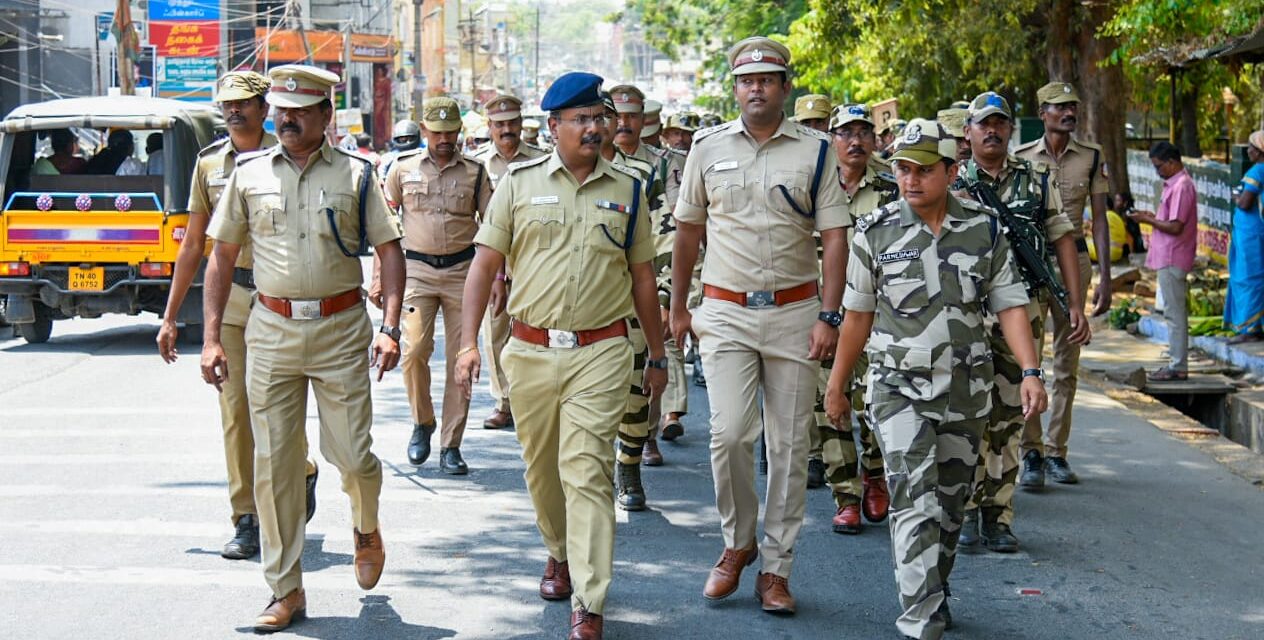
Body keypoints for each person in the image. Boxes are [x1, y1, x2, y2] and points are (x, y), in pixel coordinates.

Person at [454, 71, 667, 640]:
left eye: (600, 118)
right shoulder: (519, 184)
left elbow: (643, 278)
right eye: (582, 120)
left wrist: (660, 355)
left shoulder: (627, 189)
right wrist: (468, 343)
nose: (595, 128)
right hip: (529, 349)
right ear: (554, 128)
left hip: (601, 351)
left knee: (587, 471)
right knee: (542, 471)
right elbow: (482, 266)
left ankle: (590, 600)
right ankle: (559, 551)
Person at [824, 118, 1048, 640]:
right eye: (902, 168)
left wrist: (1032, 370)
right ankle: (920, 618)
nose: (910, 179)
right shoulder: (875, 231)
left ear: (951, 171)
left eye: (924, 170)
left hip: (967, 389)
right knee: (915, 498)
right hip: (897, 389)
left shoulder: (985, 228)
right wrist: (837, 385)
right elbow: (856, 315)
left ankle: (934, 588)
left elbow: (1011, 304)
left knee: (950, 506)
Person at [201, 64, 406, 632]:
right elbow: (220, 256)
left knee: (353, 456)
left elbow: (389, 252)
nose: (286, 119)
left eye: (299, 110)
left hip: (341, 331)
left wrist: (390, 326)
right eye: (281, 110)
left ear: (324, 115)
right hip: (270, 331)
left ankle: (366, 524)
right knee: (275, 466)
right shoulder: (247, 175)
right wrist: (212, 336)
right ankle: (285, 589)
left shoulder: (358, 175)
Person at [670, 36, 849, 615]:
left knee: (791, 446)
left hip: (797, 313)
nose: (756, 88)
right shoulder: (707, 148)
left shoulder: (817, 151)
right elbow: (688, 233)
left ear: (785, 87)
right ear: (736, 88)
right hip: (722, 312)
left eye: (768, 79)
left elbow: (835, 237)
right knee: (728, 436)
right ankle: (737, 542)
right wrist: (679, 308)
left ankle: (777, 568)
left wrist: (829, 313)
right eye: (747, 80)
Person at [156, 70, 320, 563]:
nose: (233, 111)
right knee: (235, 413)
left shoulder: (289, 154)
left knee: (278, 411)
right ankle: (245, 518)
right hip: (230, 302)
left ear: (263, 109)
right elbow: (192, 245)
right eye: (226, 103)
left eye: (243, 103)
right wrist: (169, 317)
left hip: (280, 299)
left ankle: (302, 469)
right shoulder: (209, 165)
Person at [955, 92, 1089, 554]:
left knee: (1011, 415)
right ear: (968, 131)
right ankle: (968, 510)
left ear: (1012, 130)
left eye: (1000, 123)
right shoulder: (953, 181)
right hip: (966, 315)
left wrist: (1072, 301)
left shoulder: (1036, 179)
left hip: (1024, 313)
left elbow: (1062, 239)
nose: (992, 131)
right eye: (983, 124)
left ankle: (999, 515)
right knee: (967, 412)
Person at [378, 96, 491, 474]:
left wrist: (497, 278)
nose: (445, 139)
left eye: (451, 131)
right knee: (413, 352)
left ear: (460, 131)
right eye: (437, 132)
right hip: (416, 273)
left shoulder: (475, 172)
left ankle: (450, 444)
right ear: (424, 131)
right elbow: (383, 231)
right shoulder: (401, 169)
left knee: (463, 358)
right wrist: (379, 278)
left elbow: (493, 229)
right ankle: (422, 421)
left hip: (464, 272)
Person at [1016, 81, 1113, 488]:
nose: (1068, 112)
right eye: (1060, 107)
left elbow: (1101, 218)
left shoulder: (1091, 157)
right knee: (1029, 361)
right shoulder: (1021, 157)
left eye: (1072, 106)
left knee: (1067, 365)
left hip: (1076, 262)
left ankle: (1057, 451)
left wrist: (1106, 276)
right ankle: (1031, 452)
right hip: (1032, 265)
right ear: (1044, 112)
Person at [817, 102, 895, 534]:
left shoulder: (889, 189)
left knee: (875, 401)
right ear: (833, 140)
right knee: (829, 402)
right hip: (825, 312)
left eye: (864, 132)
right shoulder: (817, 188)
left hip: (877, 313)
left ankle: (875, 476)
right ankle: (845, 494)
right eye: (846, 132)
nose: (856, 140)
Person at [471, 93, 547, 431]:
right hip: (492, 263)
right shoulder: (476, 165)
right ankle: (504, 402)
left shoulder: (542, 160)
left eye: (512, 123)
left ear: (521, 125)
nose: (506, 130)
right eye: (499, 124)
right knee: (496, 334)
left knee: (538, 331)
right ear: (489, 127)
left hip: (535, 262)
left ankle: (535, 398)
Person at [1129, 141, 1198, 381]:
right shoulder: (1174, 185)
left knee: (1174, 314)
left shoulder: (1182, 186)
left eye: (1159, 166)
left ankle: (1178, 366)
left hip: (1174, 256)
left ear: (1172, 162)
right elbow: (1169, 219)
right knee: (1172, 312)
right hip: (1168, 255)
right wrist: (1150, 217)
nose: (1157, 171)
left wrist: (1148, 221)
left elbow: (1176, 226)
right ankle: (1175, 362)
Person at [1225, 131, 1264, 342]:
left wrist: (1236, 196)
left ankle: (1250, 328)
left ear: (1258, 151)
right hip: (1256, 231)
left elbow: (1245, 203)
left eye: (1250, 147)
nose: (1247, 151)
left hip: (1251, 234)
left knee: (1248, 278)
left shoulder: (1257, 171)